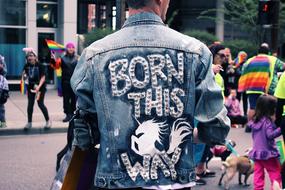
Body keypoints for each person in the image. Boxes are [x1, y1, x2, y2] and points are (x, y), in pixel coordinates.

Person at [68, 0, 230, 189]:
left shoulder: (94, 55)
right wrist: (183, 136)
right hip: (174, 181)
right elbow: (217, 129)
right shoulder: (196, 52)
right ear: (161, 1)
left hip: (116, 181)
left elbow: (85, 136)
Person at [238, 43, 285, 123]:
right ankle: (271, 126)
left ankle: (250, 126)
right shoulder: (273, 59)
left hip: (252, 87)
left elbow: (243, 70)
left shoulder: (250, 60)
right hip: (269, 87)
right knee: (271, 108)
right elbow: (283, 66)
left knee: (253, 107)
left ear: (258, 52)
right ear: (268, 52)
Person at [248, 94, 282, 190]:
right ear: (270, 109)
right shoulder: (267, 122)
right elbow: (270, 135)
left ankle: (258, 188)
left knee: (258, 175)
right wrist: (280, 129)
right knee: (274, 172)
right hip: (268, 154)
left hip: (257, 154)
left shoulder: (255, 121)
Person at [22, 49, 51, 130]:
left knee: (40, 103)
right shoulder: (26, 66)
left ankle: (48, 121)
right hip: (31, 88)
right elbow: (25, 76)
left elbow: (43, 77)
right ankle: (29, 123)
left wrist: (38, 87)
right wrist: (24, 77)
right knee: (30, 104)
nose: (29, 57)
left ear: (35, 57)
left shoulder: (40, 65)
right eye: (28, 56)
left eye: (31, 56)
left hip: (40, 88)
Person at [51, 43, 78, 122]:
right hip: (65, 82)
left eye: (72, 48)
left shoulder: (77, 58)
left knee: (74, 99)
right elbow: (55, 66)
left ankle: (73, 114)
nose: (71, 49)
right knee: (66, 99)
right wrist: (53, 58)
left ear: (74, 49)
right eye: (69, 48)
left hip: (75, 82)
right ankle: (68, 115)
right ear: (66, 49)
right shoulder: (61, 58)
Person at [0, 55, 7, 128]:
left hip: (1, 86)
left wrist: (1, 68)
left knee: (1, 107)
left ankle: (3, 123)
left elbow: (5, 71)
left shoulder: (1, 59)